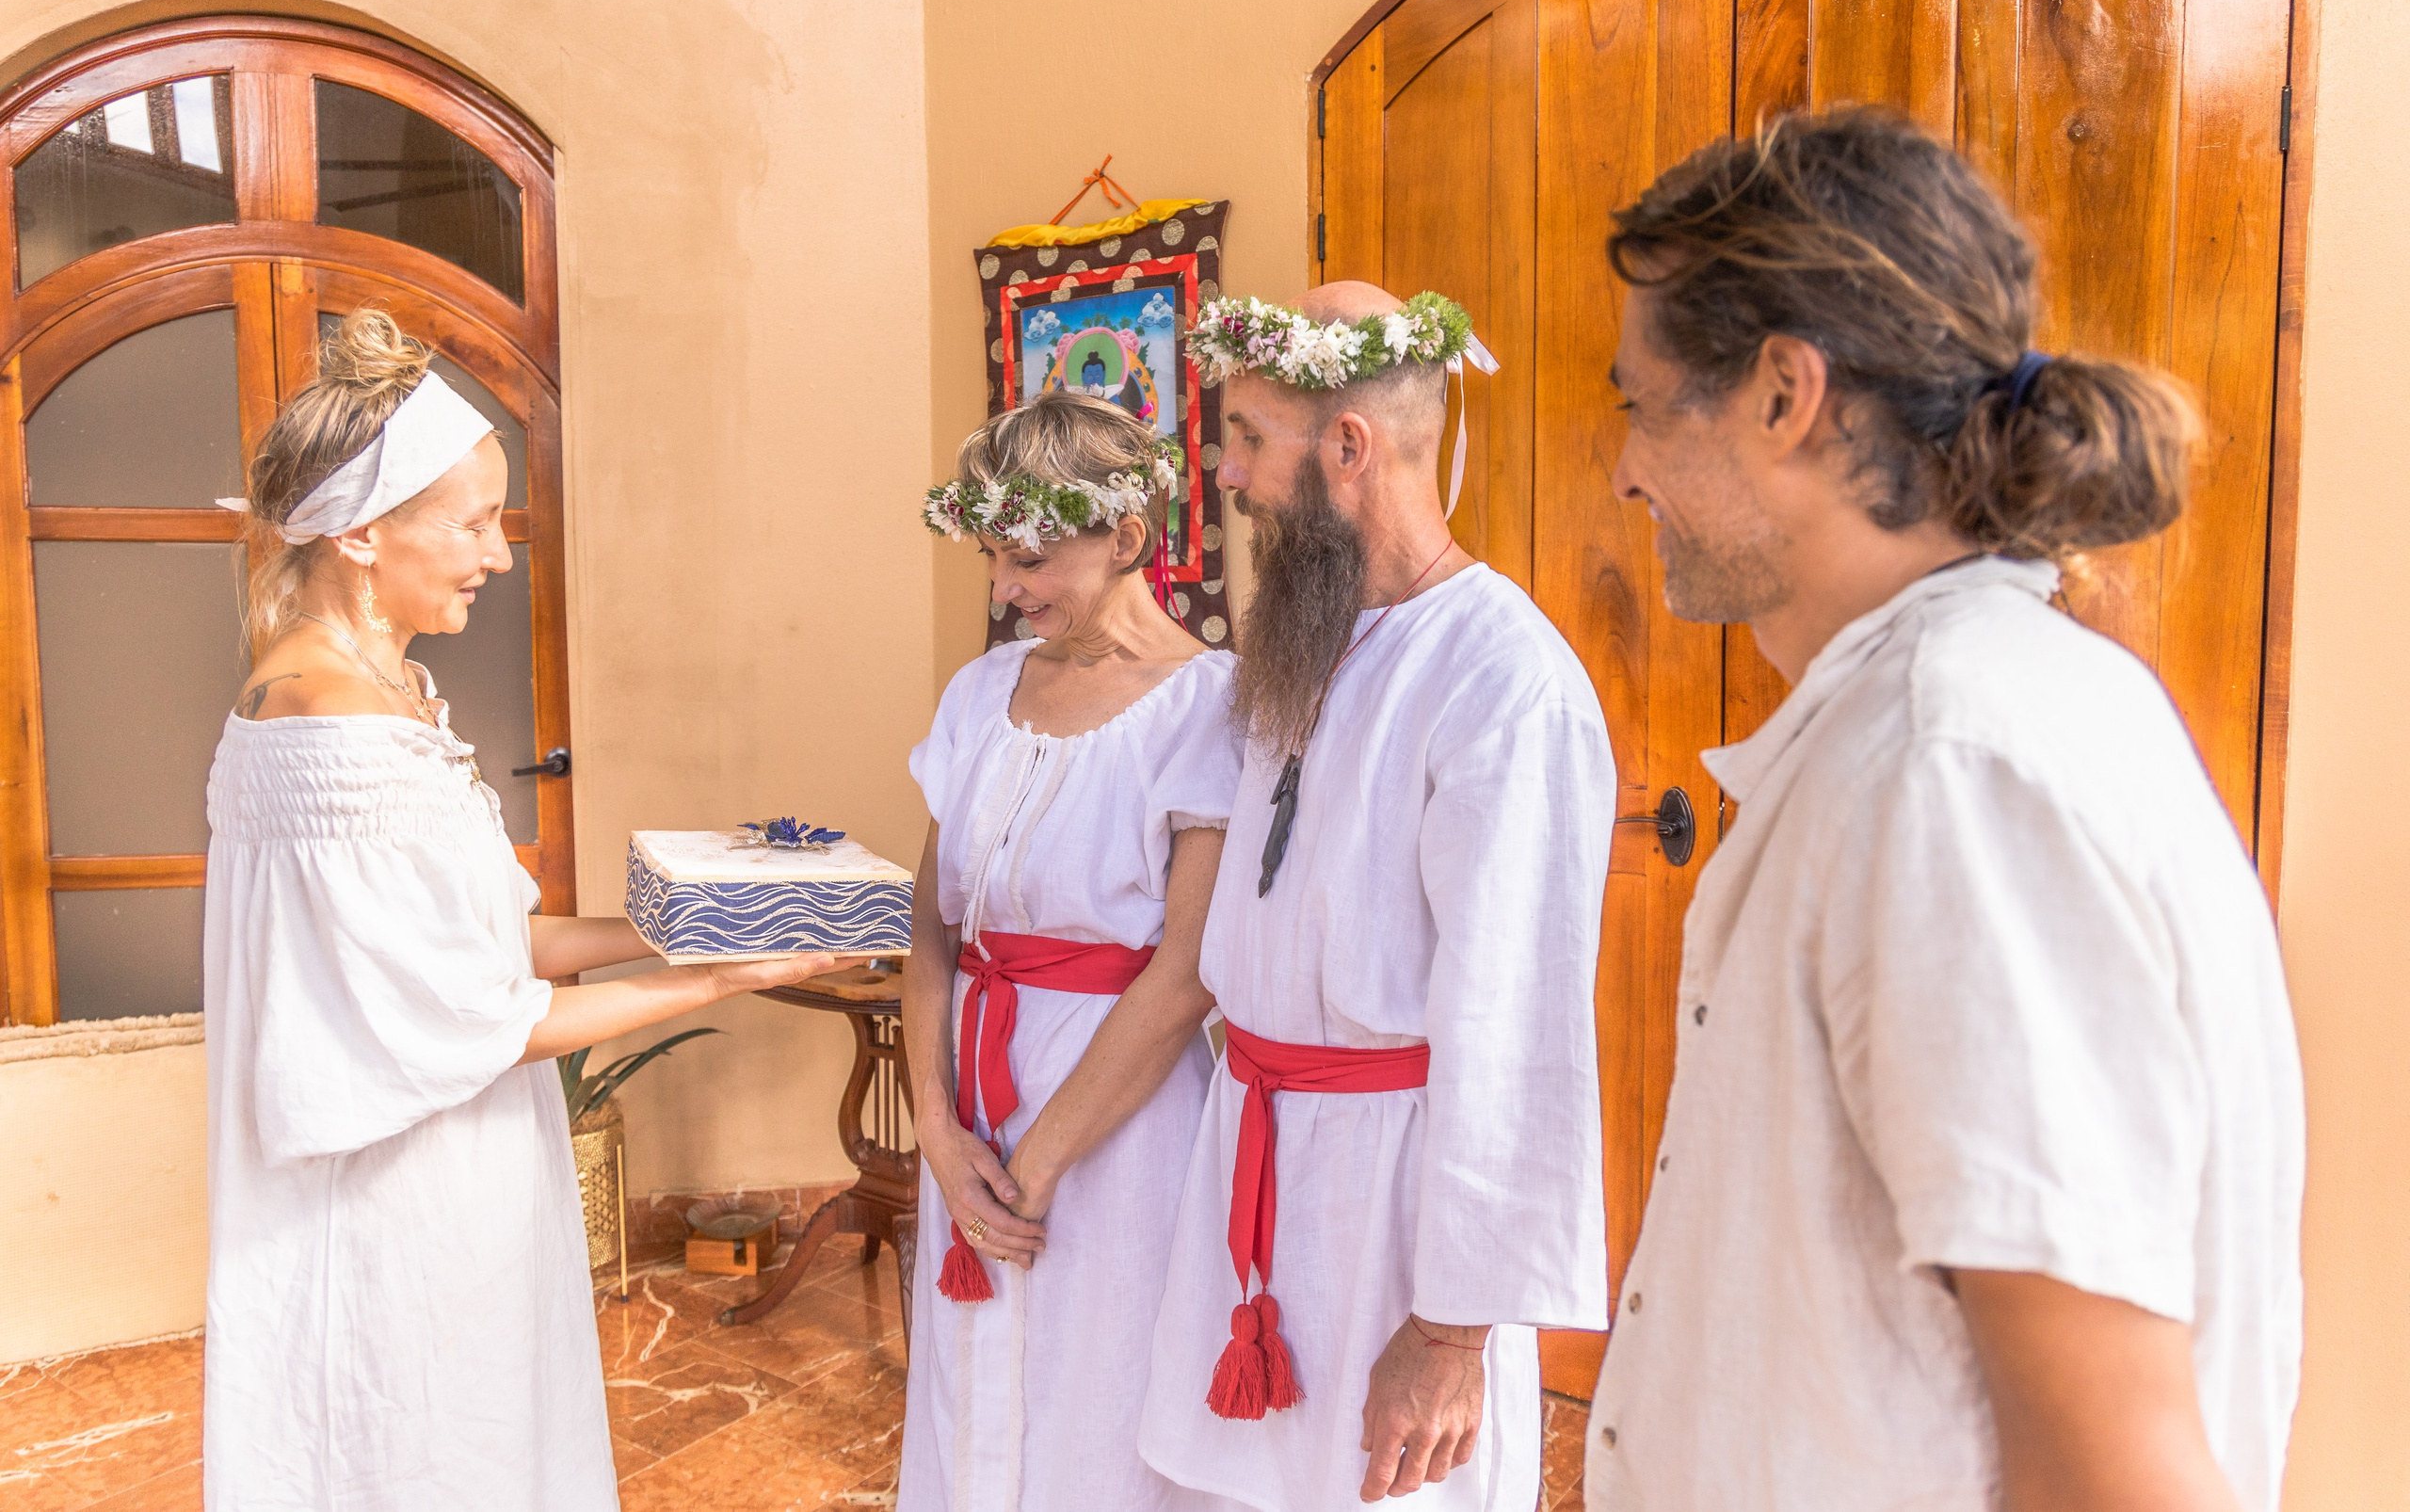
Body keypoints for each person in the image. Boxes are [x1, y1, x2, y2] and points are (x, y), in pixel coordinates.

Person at [1584, 109, 2305, 1512]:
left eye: (1640, 405)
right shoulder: (1925, 725)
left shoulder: (1951, 768)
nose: (1625, 472)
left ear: (1784, 394)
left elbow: (2122, 1472)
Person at [203, 311, 836, 1511]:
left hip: (468, 1163)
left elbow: (501, 940)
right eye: (472, 521)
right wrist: (723, 979)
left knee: (491, 1437)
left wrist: (709, 917)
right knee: (424, 1453)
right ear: (358, 530)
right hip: (399, 1195)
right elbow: (467, 1015)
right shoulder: (337, 730)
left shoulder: (378, 689)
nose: (498, 552)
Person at [1140, 284, 1615, 1509]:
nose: (1232, 479)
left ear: (1347, 449)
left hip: (1390, 1214)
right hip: (1255, 1166)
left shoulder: (1506, 679)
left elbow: (1518, 1033)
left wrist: (1452, 1334)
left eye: (1249, 442)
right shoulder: (1306, 640)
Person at [900, 391, 1241, 1510]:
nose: (1006, 587)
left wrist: (1036, 1163)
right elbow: (933, 919)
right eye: (995, 555)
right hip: (974, 1107)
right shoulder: (980, 689)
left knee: (1101, 1399)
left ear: (1129, 539)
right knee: (972, 1399)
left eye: (1034, 557)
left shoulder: (1209, 705)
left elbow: (1186, 970)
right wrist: (940, 1133)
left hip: (1119, 1129)